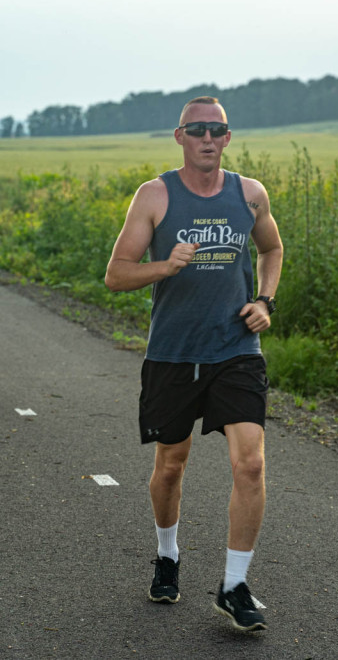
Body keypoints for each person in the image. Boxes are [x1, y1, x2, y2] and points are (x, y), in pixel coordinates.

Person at [105, 96, 283, 632]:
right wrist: (164, 266)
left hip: (235, 350)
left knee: (250, 463)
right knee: (171, 464)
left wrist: (265, 302)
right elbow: (116, 275)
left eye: (218, 129)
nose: (208, 138)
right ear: (179, 136)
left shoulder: (249, 194)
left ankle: (234, 586)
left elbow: (272, 250)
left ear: (228, 137)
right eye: (198, 129)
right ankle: (167, 554)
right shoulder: (155, 195)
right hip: (173, 354)